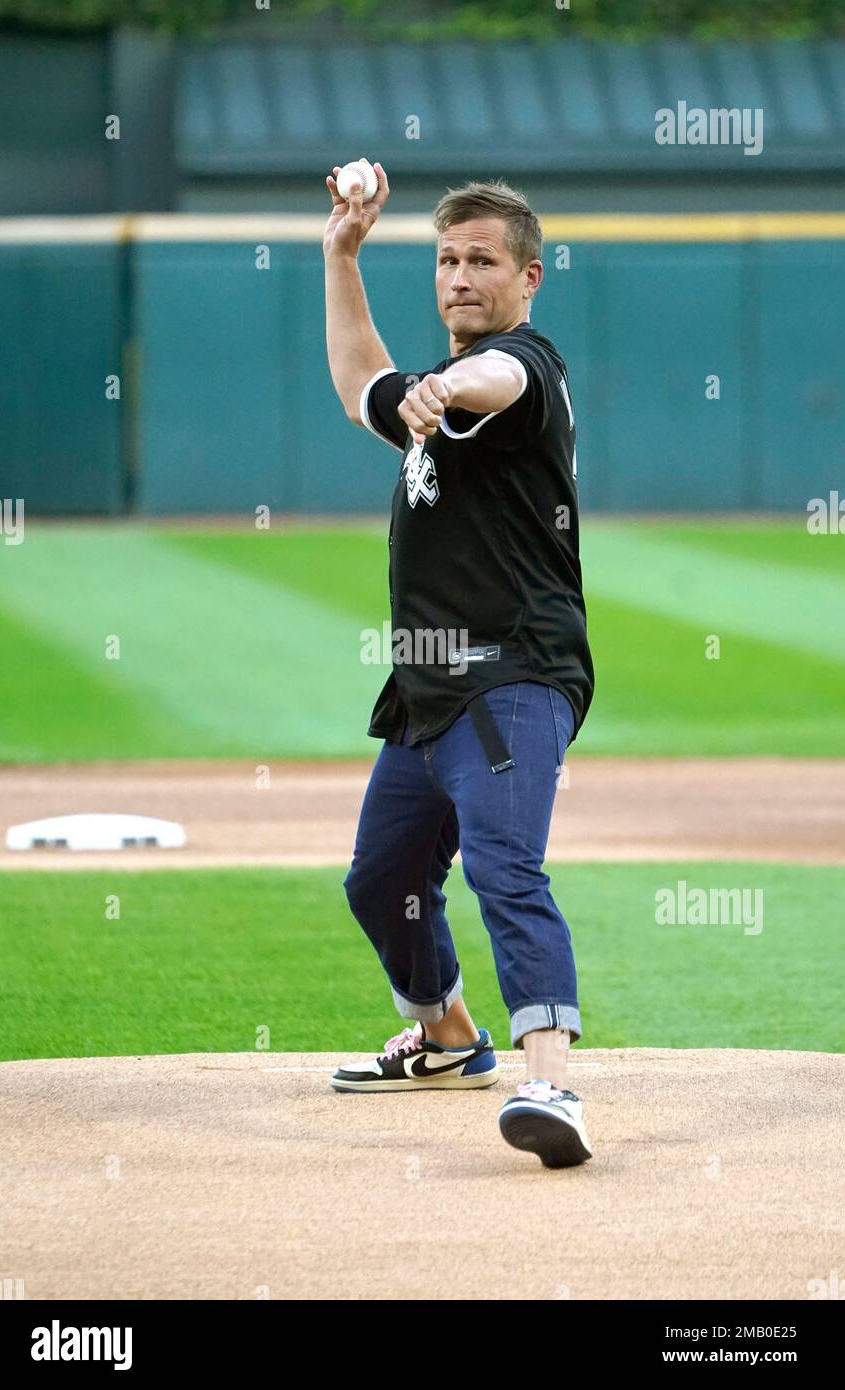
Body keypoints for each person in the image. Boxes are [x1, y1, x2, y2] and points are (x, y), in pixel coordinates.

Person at [322, 163, 595, 1168]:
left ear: (528, 278)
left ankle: (550, 1081)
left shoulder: (521, 367)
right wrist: (339, 254)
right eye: (444, 258)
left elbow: (497, 379)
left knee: (499, 860)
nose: (457, 275)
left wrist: (444, 386)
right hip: (430, 688)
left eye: (481, 260)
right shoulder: (424, 398)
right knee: (381, 877)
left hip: (512, 672)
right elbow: (360, 384)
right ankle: (445, 1034)